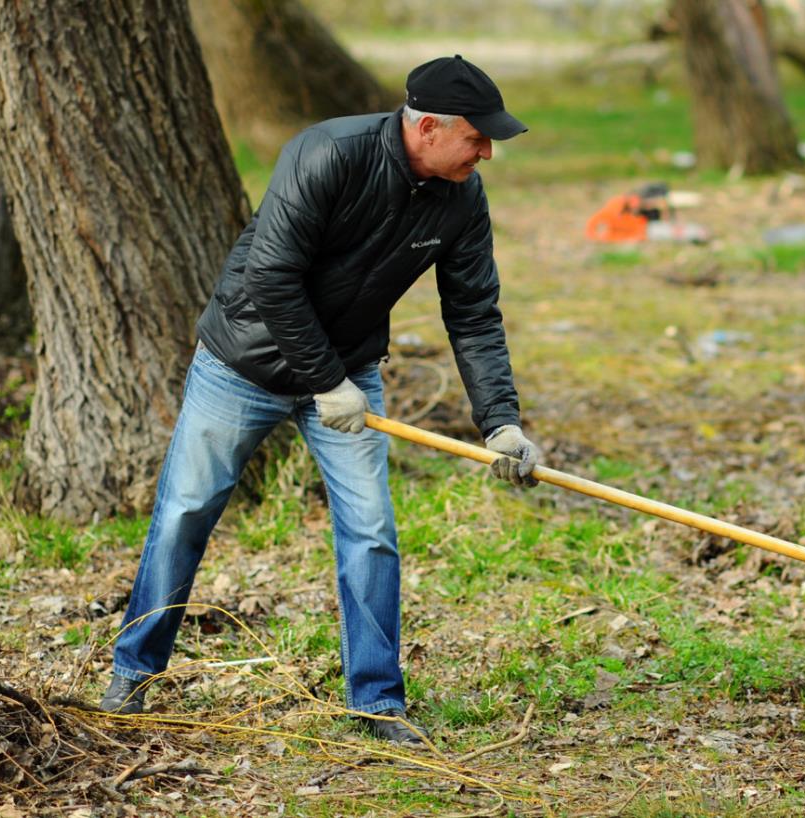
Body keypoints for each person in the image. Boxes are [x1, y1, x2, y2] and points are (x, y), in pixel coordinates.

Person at [98, 56, 543, 744]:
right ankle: (134, 670)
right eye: (477, 137)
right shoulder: (328, 153)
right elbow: (273, 276)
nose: (486, 152)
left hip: (350, 371)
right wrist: (324, 379)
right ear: (427, 127)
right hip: (242, 364)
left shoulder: (461, 196)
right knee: (186, 511)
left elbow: (475, 313)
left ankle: (376, 703)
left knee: (371, 534)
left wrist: (501, 421)